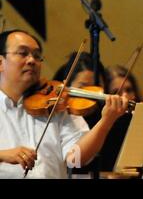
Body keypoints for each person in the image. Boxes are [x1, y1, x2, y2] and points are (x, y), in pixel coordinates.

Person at [0, 29, 128, 178]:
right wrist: (2, 155)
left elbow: (76, 160)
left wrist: (106, 122)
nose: (31, 60)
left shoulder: (56, 105)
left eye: (36, 56)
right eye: (23, 53)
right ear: (1, 62)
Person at [99, 65, 141, 172]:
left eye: (129, 90)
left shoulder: (140, 120)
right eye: (116, 92)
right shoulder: (102, 127)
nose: (125, 97)